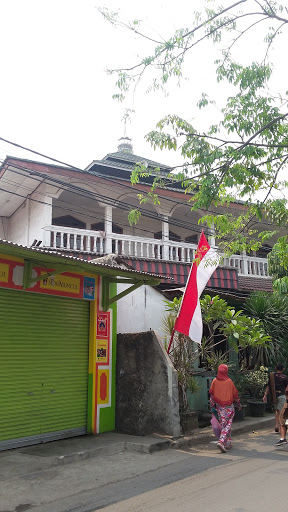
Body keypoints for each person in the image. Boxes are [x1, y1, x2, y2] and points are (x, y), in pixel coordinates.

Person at [209, 364, 242, 453]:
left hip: (219, 408)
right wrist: (239, 404)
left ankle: (228, 442)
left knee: (224, 424)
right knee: (227, 425)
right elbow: (235, 395)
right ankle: (221, 441)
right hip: (229, 408)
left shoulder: (214, 381)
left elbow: (212, 396)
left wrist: (212, 407)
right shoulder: (229, 382)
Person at [262, 362, 288, 433]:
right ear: (283, 369)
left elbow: (268, 386)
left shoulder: (272, 376)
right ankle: (281, 426)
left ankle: (276, 425)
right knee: (282, 412)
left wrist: (265, 395)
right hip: (282, 396)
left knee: (277, 410)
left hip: (274, 396)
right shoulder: (285, 377)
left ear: (276, 368)